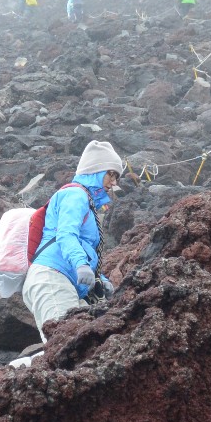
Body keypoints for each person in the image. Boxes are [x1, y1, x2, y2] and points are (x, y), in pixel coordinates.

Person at [22, 140, 124, 335]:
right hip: (51, 279)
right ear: (97, 170)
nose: (114, 182)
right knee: (64, 344)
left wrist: (99, 279)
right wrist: (81, 265)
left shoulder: (88, 200)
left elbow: (83, 246)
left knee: (85, 342)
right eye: (111, 174)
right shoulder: (75, 195)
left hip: (63, 281)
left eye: (116, 176)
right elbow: (67, 234)